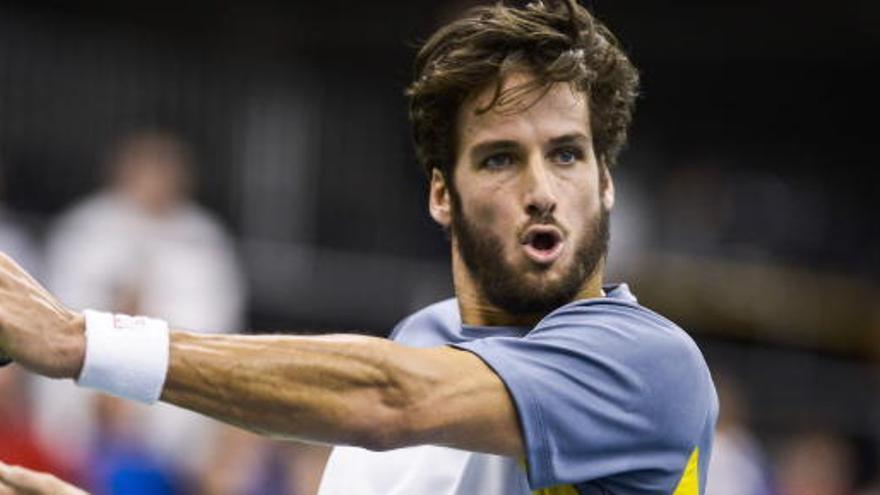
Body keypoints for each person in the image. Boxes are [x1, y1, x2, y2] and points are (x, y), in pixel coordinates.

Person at [0, 1, 718, 494]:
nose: (541, 189)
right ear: (442, 194)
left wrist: (77, 340)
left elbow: (389, 397)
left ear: (605, 183)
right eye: (500, 158)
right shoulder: (422, 343)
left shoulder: (648, 364)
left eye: (566, 155)